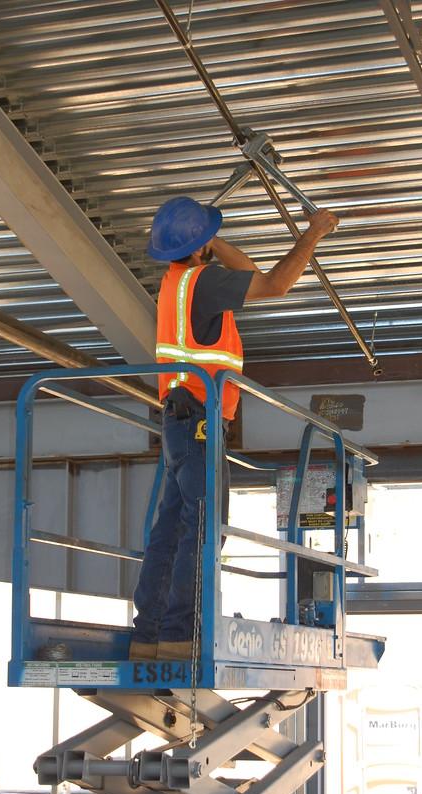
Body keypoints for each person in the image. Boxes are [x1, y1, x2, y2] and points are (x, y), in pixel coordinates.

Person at [130, 195, 338, 661]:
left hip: (179, 421)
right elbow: (276, 284)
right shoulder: (202, 283)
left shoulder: (176, 282)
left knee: (171, 528)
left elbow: (250, 274)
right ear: (199, 246)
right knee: (204, 528)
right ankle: (182, 633)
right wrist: (314, 234)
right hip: (200, 422)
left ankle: (150, 634)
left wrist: (208, 239)